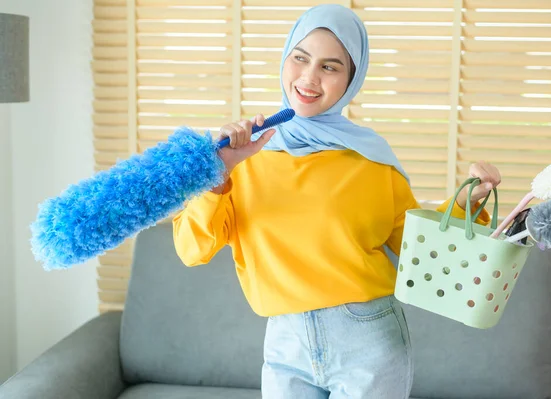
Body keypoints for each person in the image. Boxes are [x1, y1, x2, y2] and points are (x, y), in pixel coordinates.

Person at [173, 4, 501, 398]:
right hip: (284, 343)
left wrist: (470, 204)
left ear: (351, 80)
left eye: (330, 67)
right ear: (285, 59)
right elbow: (192, 251)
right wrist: (216, 173)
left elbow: (419, 250)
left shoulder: (373, 162)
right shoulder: (241, 158)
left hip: (369, 341)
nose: (309, 78)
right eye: (300, 58)